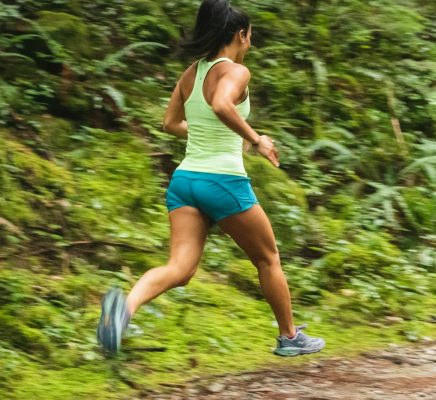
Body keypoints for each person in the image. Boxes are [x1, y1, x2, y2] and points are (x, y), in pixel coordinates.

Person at [96, 0, 325, 357]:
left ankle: (123, 310)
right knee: (268, 258)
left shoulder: (192, 73)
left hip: (185, 180)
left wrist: (219, 136)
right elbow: (221, 104)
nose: (250, 42)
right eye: (250, 36)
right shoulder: (235, 72)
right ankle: (290, 337)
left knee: (180, 268)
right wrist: (256, 140)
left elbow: (170, 124)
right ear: (240, 35)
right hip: (222, 181)